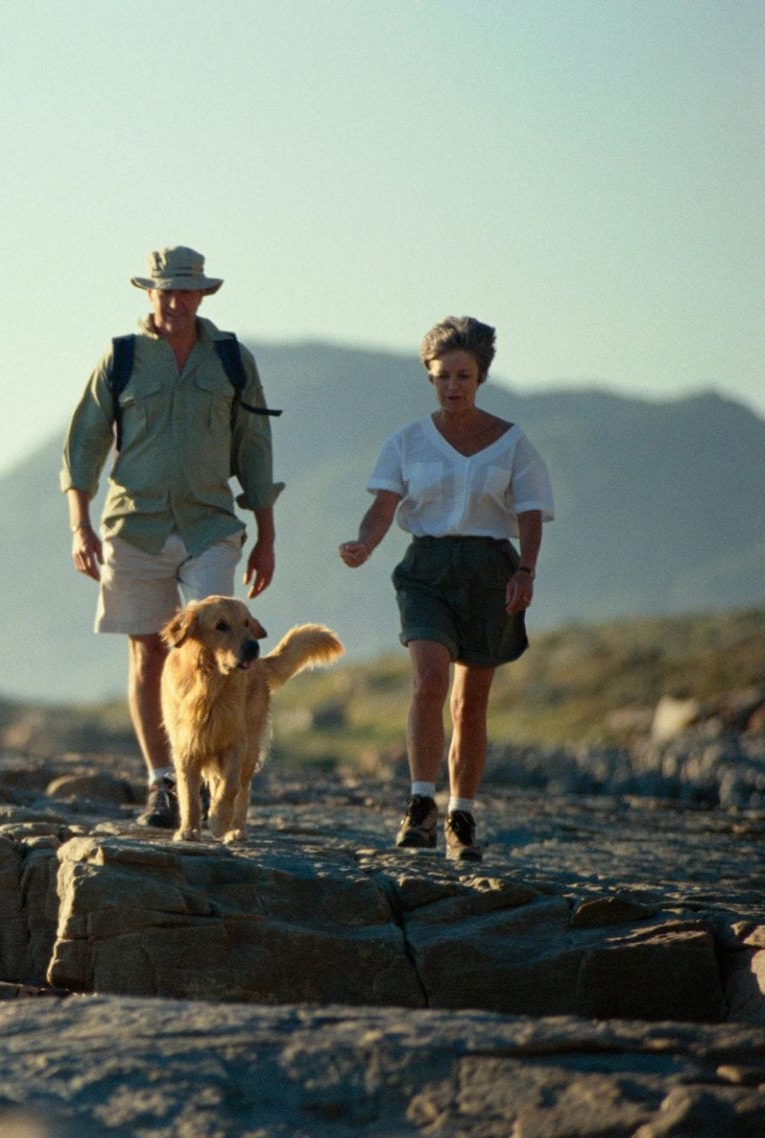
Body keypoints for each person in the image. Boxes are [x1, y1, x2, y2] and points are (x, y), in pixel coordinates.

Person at [61, 245, 283, 829]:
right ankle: (164, 782)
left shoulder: (232, 360)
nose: (177, 301)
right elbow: (84, 443)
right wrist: (79, 525)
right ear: (149, 294)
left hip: (211, 522)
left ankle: (222, 775)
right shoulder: (123, 358)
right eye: (167, 291)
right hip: (134, 525)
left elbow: (254, 450)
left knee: (218, 643)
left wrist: (266, 535)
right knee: (149, 654)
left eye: (188, 291)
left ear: (203, 294)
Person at [338, 316, 554, 858]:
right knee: (429, 680)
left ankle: (462, 814)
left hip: (491, 572)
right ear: (430, 378)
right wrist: (363, 544)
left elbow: (530, 512)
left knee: (470, 704)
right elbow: (383, 506)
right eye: (443, 376)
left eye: (463, 375)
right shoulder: (407, 441)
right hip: (427, 570)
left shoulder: (511, 443)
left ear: (480, 377)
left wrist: (525, 570)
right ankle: (419, 804)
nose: (453, 386)